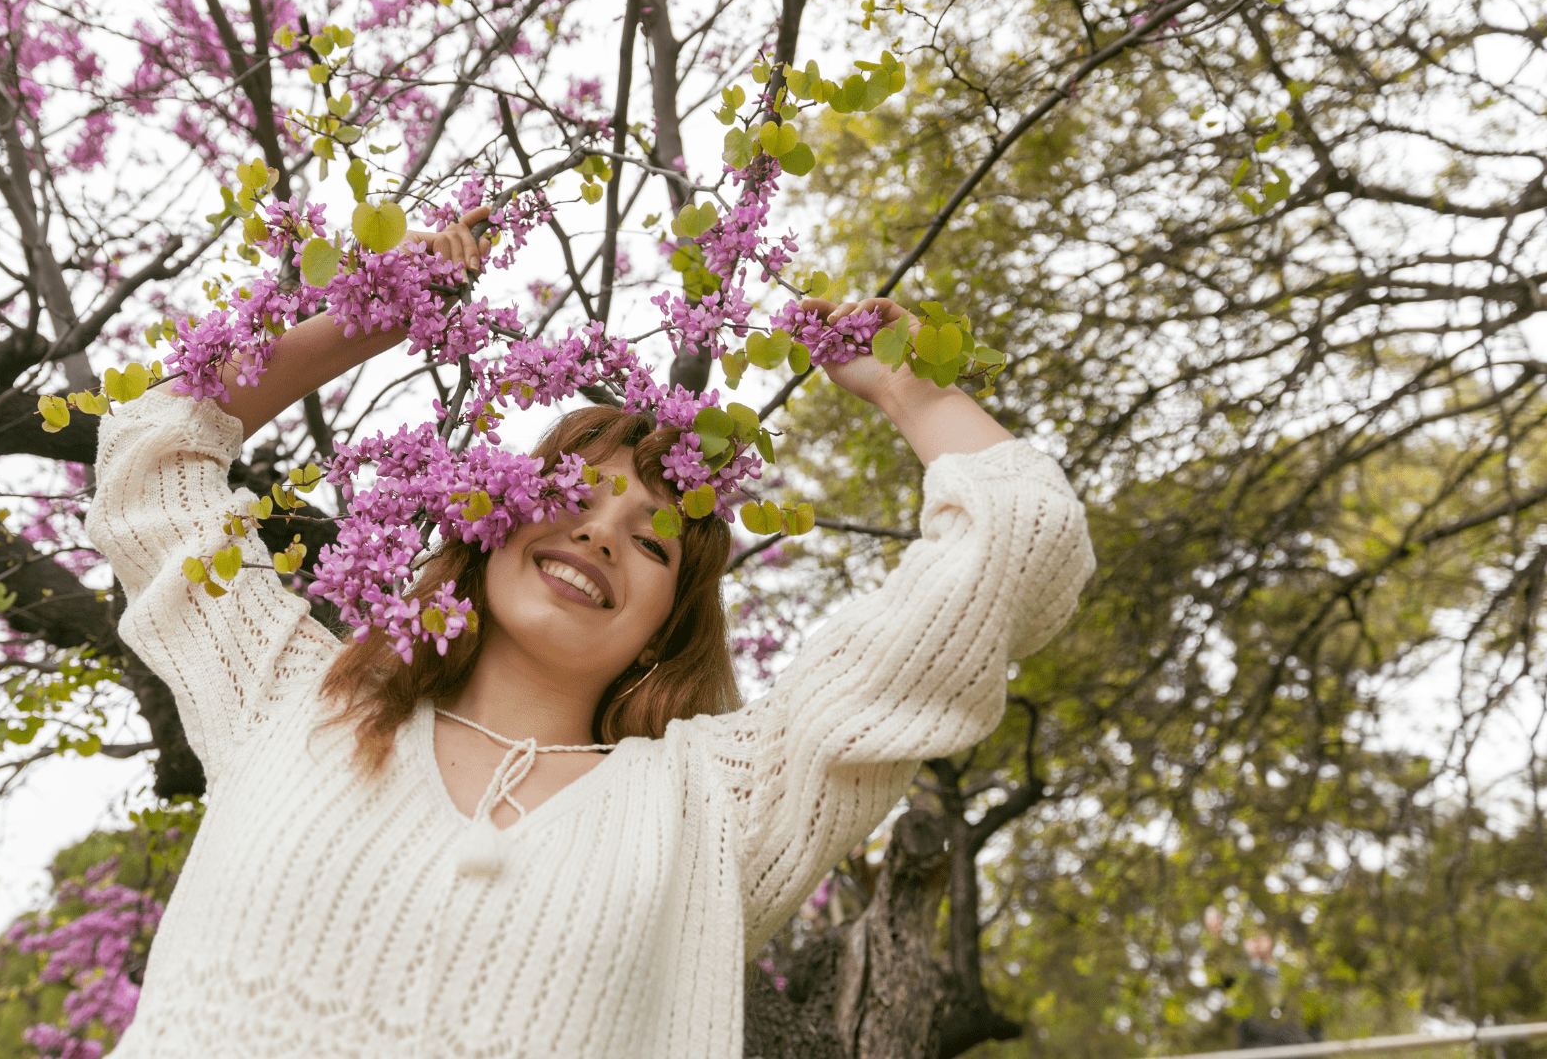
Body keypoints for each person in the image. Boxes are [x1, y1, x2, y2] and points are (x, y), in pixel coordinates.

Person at [86, 206, 1096, 1058]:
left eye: (655, 544)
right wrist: (379, 309)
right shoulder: (289, 696)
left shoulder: (721, 809)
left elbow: (1021, 544)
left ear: (672, 623)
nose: (602, 534)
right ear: (487, 523)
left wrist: (908, 385)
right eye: (574, 492)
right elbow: (151, 458)